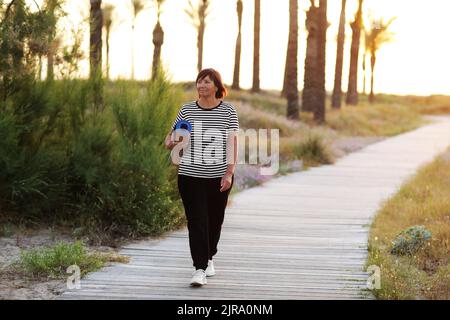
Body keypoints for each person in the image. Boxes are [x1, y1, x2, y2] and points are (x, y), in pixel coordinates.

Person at [164, 68, 239, 286]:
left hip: (217, 177)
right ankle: (199, 269)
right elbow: (171, 137)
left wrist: (229, 173)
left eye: (206, 82)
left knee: (215, 221)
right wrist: (171, 141)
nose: (201, 85)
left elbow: (232, 143)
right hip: (190, 175)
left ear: (217, 86)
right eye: (199, 81)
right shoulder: (186, 110)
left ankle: (209, 255)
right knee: (197, 221)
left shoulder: (228, 112)